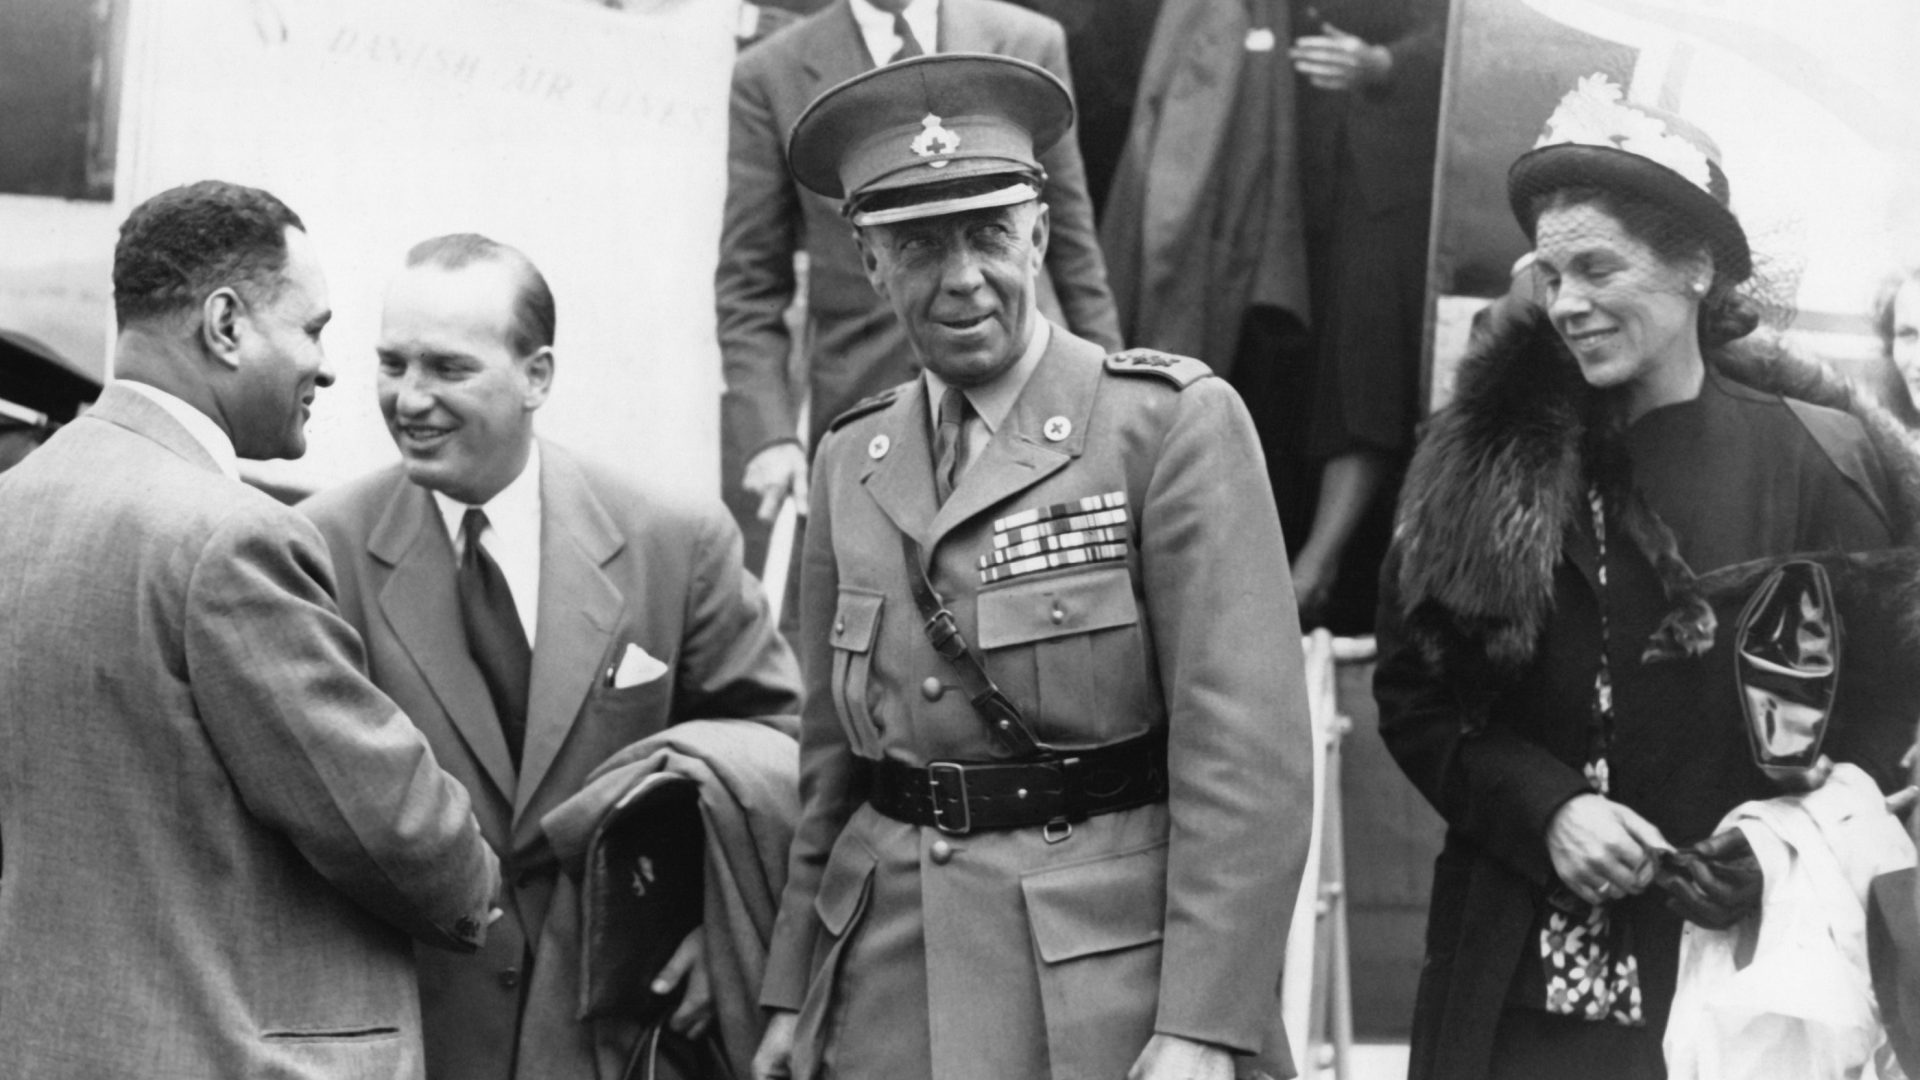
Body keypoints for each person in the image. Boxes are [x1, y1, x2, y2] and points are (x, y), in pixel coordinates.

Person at [752, 55, 1312, 1080]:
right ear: (869, 265)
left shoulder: (1166, 429)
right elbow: (831, 764)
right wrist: (795, 988)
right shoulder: (851, 458)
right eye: (919, 245)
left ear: (1042, 236)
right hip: (889, 987)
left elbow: (1247, 765)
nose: (963, 277)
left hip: (1099, 995)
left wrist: (1203, 1024)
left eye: (989, 236)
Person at [1375, 77, 1914, 1079]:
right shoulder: (1484, 462)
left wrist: (1779, 847)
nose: (1568, 304)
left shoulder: (1811, 461)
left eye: (1597, 268)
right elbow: (1416, 701)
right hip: (1519, 996)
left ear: (1699, 266)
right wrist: (1547, 810)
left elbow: (1882, 718)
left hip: (1747, 992)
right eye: (1550, 273)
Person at [0, 180, 499, 1079]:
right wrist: (480, 887)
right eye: (312, 329)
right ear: (226, 326)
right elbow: (388, 824)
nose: (329, 366)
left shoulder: (16, 502)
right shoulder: (232, 536)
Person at [300, 233, 802, 1080]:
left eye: (447, 369)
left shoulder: (671, 541)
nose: (409, 399)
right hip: (409, 1041)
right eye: (392, 364)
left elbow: (780, 750)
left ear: (537, 376)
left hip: (617, 1034)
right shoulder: (316, 549)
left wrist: (723, 934)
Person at [717, 0, 1121, 530]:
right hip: (867, 407)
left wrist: (1111, 394)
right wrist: (770, 436)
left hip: (1028, 393)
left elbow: (1070, 242)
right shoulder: (770, 73)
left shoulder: (1027, 41)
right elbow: (749, 281)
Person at [1283, 0, 1445, 627]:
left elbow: (1494, 35)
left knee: (1365, 362)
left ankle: (1319, 566)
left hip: (1395, 173)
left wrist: (1387, 64)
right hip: (1297, 161)